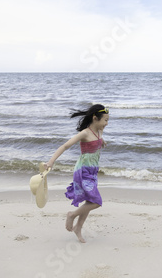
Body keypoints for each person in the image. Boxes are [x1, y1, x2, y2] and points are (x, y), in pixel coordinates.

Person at [45, 104, 109, 243]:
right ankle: (71, 215)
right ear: (95, 118)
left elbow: (97, 139)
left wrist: (101, 141)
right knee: (96, 202)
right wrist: (51, 162)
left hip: (93, 171)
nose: (106, 123)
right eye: (105, 120)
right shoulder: (84, 133)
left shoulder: (99, 131)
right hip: (83, 171)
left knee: (89, 201)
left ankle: (78, 228)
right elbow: (65, 146)